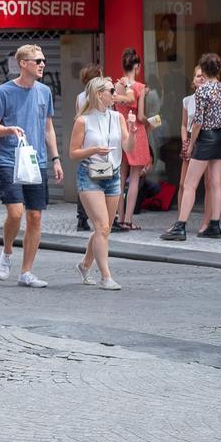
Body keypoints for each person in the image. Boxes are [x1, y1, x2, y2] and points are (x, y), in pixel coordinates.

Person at [0, 44, 62, 289]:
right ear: (22, 63)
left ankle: (26, 272)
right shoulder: (3, 92)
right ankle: (7, 250)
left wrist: (56, 159)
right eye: (37, 60)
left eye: (43, 61)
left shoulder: (44, 92)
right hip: (9, 159)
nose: (42, 64)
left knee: (35, 215)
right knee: (16, 213)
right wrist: (9, 129)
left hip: (36, 161)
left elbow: (48, 129)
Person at [71, 76, 132, 290]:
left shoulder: (118, 118)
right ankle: (106, 276)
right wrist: (94, 150)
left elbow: (128, 148)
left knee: (103, 228)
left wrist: (132, 132)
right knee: (103, 226)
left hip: (113, 175)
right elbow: (73, 153)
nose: (115, 94)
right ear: (99, 94)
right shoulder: (83, 120)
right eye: (111, 91)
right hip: (89, 175)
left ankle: (85, 264)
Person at [162, 53, 221, 241]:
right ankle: (214, 226)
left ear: (204, 69)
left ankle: (180, 225)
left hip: (206, 138)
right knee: (217, 184)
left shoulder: (202, 91)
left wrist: (191, 144)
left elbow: (198, 122)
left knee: (190, 184)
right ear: (218, 69)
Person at [111, 48, 151, 232]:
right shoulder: (140, 87)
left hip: (119, 130)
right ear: (137, 66)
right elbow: (141, 115)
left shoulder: (116, 85)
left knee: (120, 176)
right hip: (135, 131)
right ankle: (128, 220)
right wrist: (149, 123)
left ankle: (118, 218)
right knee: (134, 178)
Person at [73, 63, 105, 232]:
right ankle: (103, 216)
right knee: (101, 176)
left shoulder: (79, 96)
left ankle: (82, 218)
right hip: (97, 139)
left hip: (84, 140)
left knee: (85, 178)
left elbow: (77, 116)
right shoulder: (99, 96)